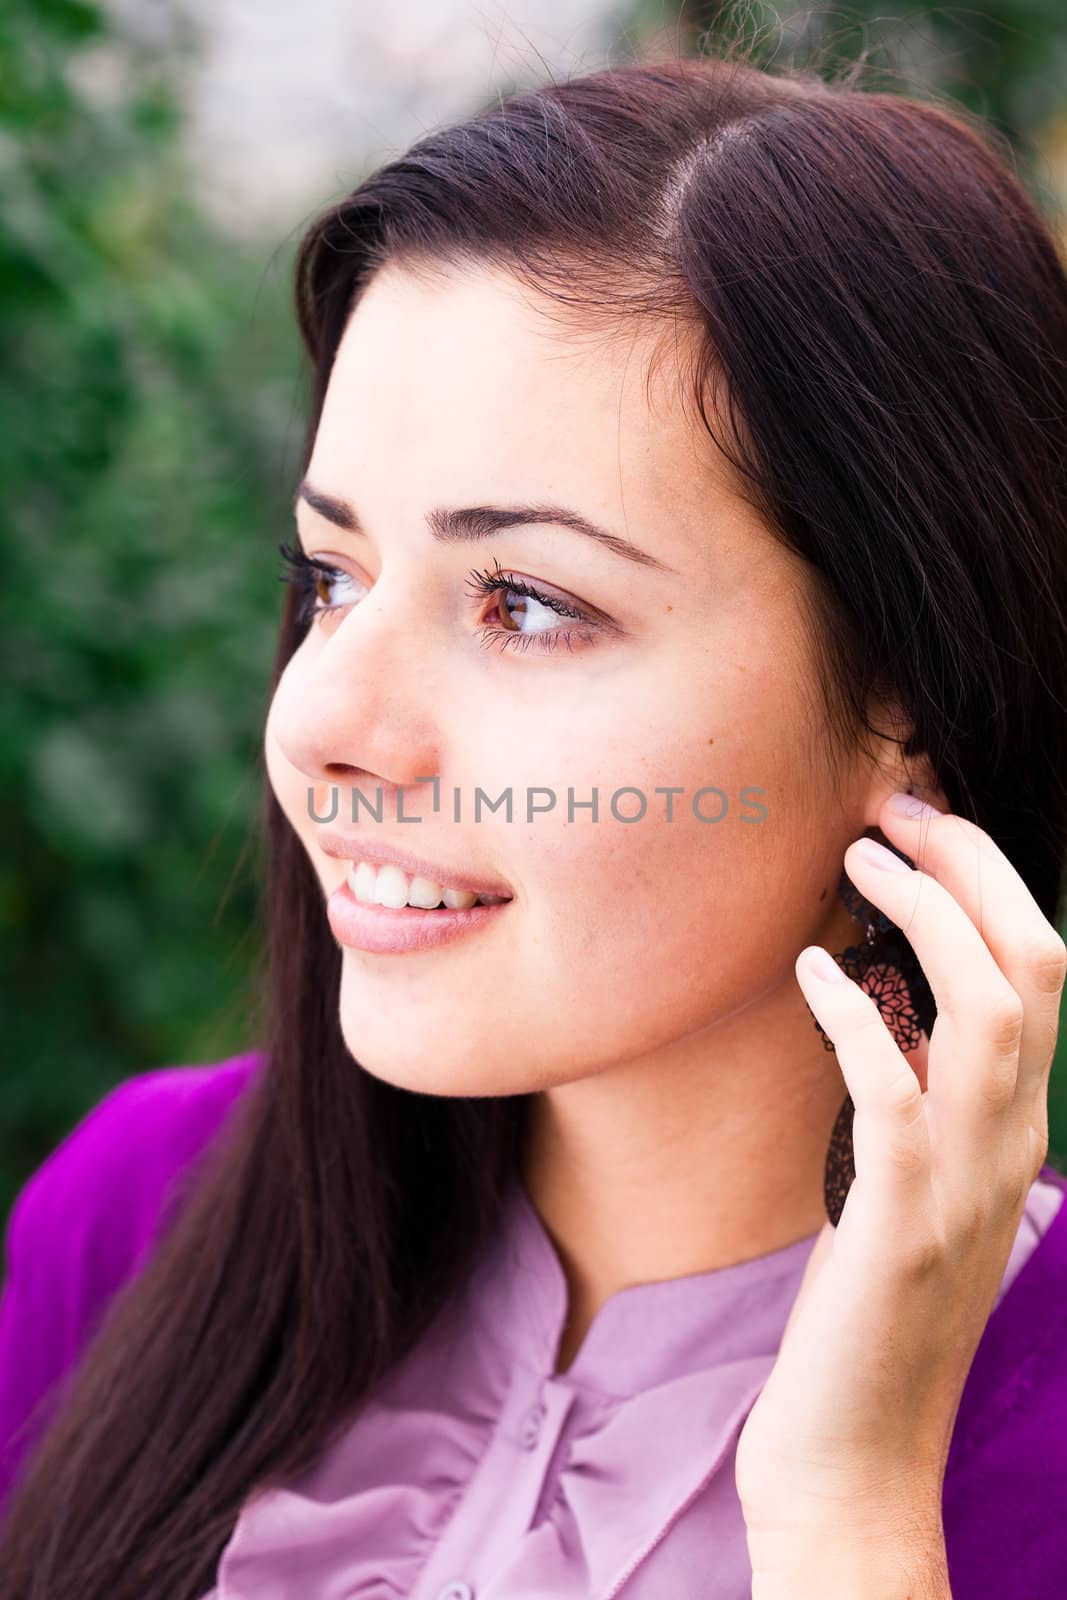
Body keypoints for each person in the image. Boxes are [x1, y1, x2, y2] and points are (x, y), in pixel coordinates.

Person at [2, 41, 1067, 1600]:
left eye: (527, 603)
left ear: (907, 688)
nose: (327, 723)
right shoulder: (139, 1214)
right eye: (331, 577)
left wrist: (849, 1510)